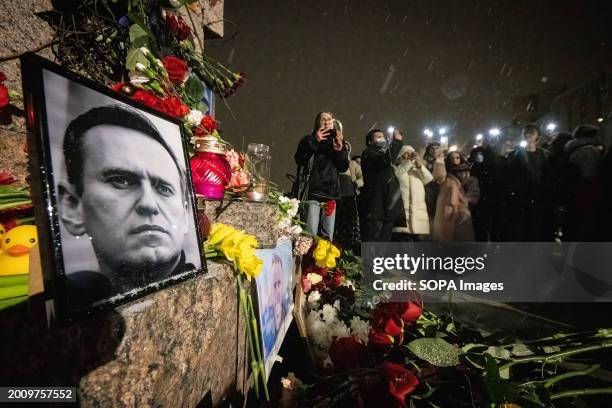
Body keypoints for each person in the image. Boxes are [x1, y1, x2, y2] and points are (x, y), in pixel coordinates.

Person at [58, 105, 195, 308]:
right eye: (121, 180)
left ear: (185, 214)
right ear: (72, 206)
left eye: (164, 189)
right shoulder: (74, 293)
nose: (149, 204)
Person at [294, 112, 349, 241]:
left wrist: (339, 150)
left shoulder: (338, 140)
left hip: (331, 195)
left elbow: (343, 167)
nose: (326, 121)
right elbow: (299, 160)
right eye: (323, 119)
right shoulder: (308, 140)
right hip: (312, 192)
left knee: (327, 238)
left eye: (329, 119)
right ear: (317, 122)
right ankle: (307, 261)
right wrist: (315, 141)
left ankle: (322, 261)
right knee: (310, 235)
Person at [499, 124, 551, 241]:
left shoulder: (544, 155)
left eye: (531, 132)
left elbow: (547, 176)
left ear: (538, 136)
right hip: (519, 200)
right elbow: (505, 174)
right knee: (518, 232)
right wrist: (503, 156)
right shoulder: (515, 154)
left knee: (534, 231)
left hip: (537, 198)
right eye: (525, 132)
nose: (527, 134)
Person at [360, 128, 403, 242]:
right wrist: (397, 142)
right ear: (370, 141)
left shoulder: (384, 153)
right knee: (374, 235)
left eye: (382, 136)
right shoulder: (369, 153)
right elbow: (386, 160)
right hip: (376, 206)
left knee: (385, 239)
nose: (382, 138)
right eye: (378, 136)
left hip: (387, 205)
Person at [391, 145, 433, 241]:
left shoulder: (417, 169)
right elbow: (399, 175)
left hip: (419, 209)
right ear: (401, 156)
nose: (410, 155)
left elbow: (428, 179)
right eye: (407, 153)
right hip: (403, 209)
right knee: (402, 240)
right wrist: (409, 162)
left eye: (412, 153)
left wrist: (419, 165)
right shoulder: (397, 168)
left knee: (418, 241)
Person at [432, 162, 476, 242]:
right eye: (464, 171)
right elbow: (452, 201)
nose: (466, 174)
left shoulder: (452, 183)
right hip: (452, 218)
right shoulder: (453, 184)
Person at [261, 254, 290, 358]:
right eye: (274, 285)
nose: (278, 290)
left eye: (279, 283)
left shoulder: (286, 310)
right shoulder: (265, 321)